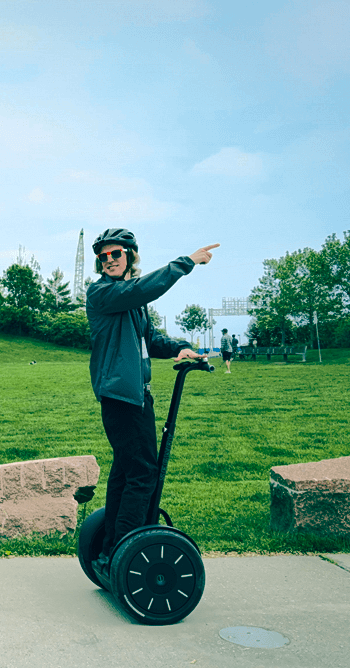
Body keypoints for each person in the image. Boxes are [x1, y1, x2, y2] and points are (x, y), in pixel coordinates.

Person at [85, 228, 218, 581]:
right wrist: (186, 263)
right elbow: (141, 288)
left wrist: (178, 348)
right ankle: (122, 552)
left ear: (130, 255)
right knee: (144, 473)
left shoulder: (131, 302)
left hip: (135, 395)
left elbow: (150, 338)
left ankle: (110, 549)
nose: (109, 260)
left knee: (127, 473)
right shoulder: (102, 292)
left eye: (116, 254)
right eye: (103, 256)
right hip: (121, 397)